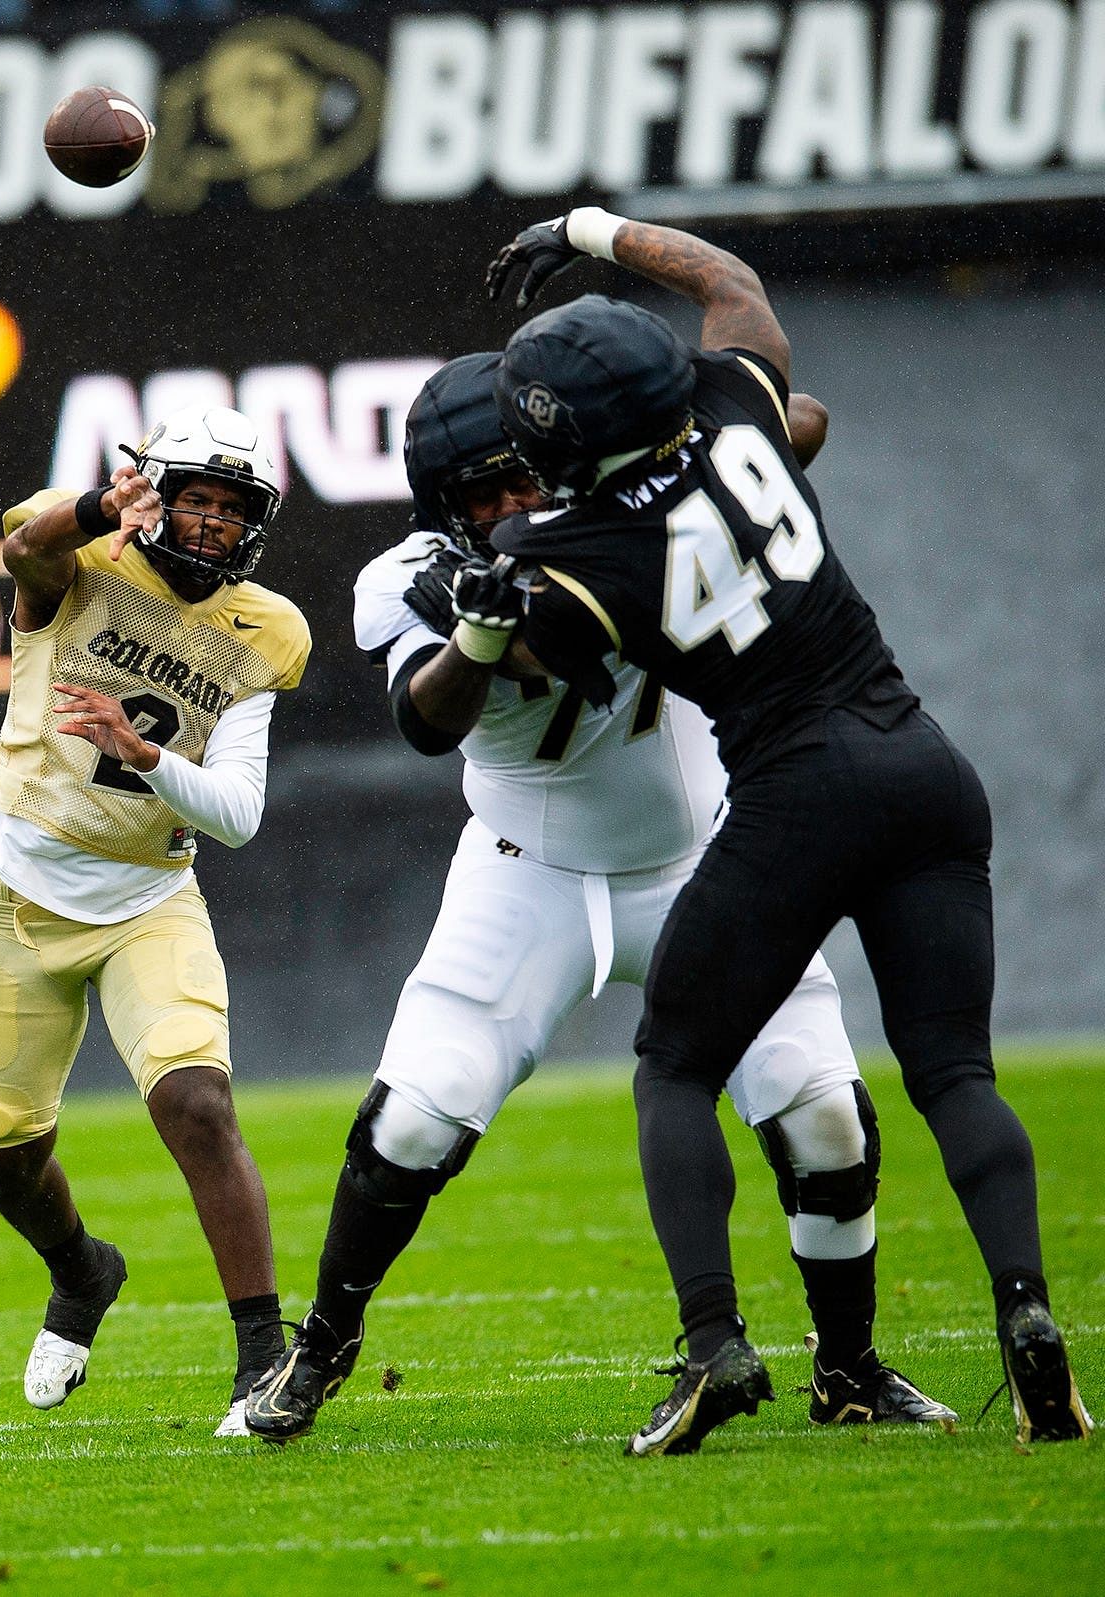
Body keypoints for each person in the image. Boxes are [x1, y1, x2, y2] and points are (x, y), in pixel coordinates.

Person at [242, 351, 948, 1444]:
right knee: (413, 1119)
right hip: (531, 869)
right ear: (443, 504)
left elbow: (796, 420)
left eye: (524, 475)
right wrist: (475, 628)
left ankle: (849, 1366)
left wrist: (727, 454)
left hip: (709, 855)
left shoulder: (633, 513)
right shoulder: (407, 579)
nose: (514, 503)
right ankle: (318, 1349)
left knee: (823, 1111)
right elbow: (429, 721)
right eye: (485, 491)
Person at [471, 210, 1086, 1452]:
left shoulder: (566, 545)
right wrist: (593, 228)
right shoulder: (742, 405)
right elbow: (729, 278)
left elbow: (495, 688)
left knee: (676, 1066)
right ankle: (1028, 1319)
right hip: (923, 762)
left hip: (796, 792)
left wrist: (482, 622)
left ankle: (715, 1345)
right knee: (957, 1074)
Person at [0, 405, 309, 1435]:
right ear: (153, 495)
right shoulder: (83, 564)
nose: (212, 524)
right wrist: (105, 504)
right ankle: (81, 1270)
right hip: (20, 899)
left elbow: (236, 815)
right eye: (194, 498)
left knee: (198, 1103)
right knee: (1, 1158)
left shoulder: (266, 628)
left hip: (150, 898)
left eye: (233, 508)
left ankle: (264, 1360)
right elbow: (22, 545)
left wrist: (148, 757)